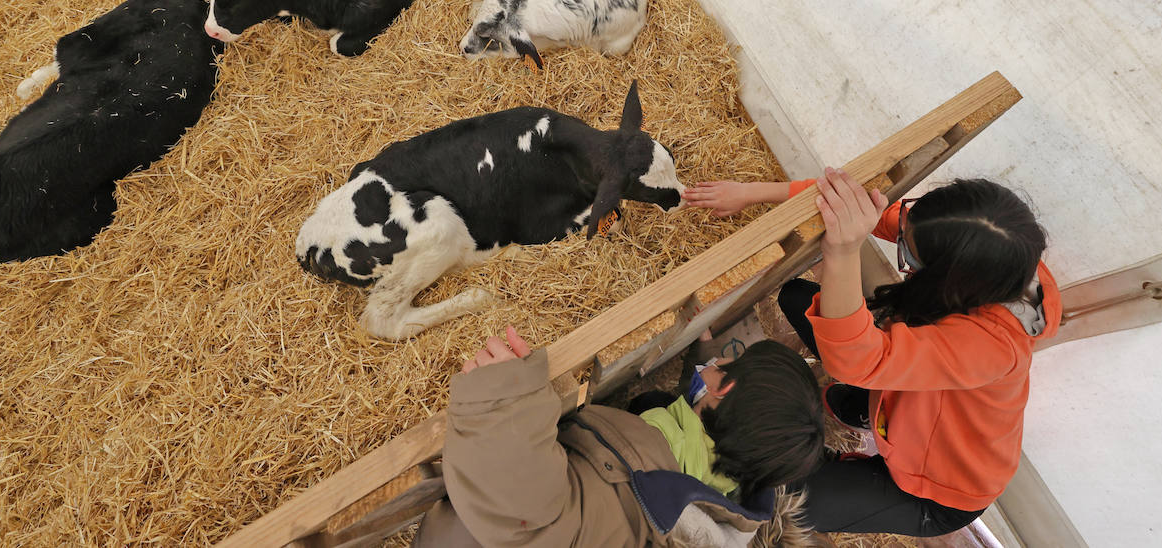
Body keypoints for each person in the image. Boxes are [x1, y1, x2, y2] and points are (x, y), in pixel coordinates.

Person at [686, 169, 1059, 537]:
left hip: (937, 489)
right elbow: (853, 208)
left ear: (949, 281)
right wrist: (748, 191)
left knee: (791, 503)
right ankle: (872, 410)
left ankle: (865, 448)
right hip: (917, 394)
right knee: (800, 299)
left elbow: (855, 360)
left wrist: (843, 251)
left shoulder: (990, 348)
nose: (904, 256)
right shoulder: (998, 257)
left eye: (910, 261)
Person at [411, 327, 828, 547]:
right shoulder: (735, 489)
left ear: (723, 390)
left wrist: (505, 398)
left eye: (728, 364)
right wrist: (698, 351)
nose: (719, 362)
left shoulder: (637, 489)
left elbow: (529, 519)